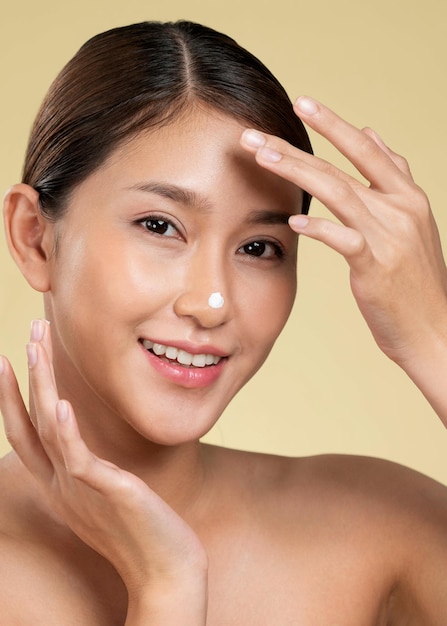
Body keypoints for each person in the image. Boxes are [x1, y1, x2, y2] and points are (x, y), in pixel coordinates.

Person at [0, 19, 447, 625]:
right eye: (160, 226)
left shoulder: (384, 529)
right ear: (35, 238)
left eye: (259, 247)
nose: (212, 303)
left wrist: (433, 335)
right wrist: (165, 586)